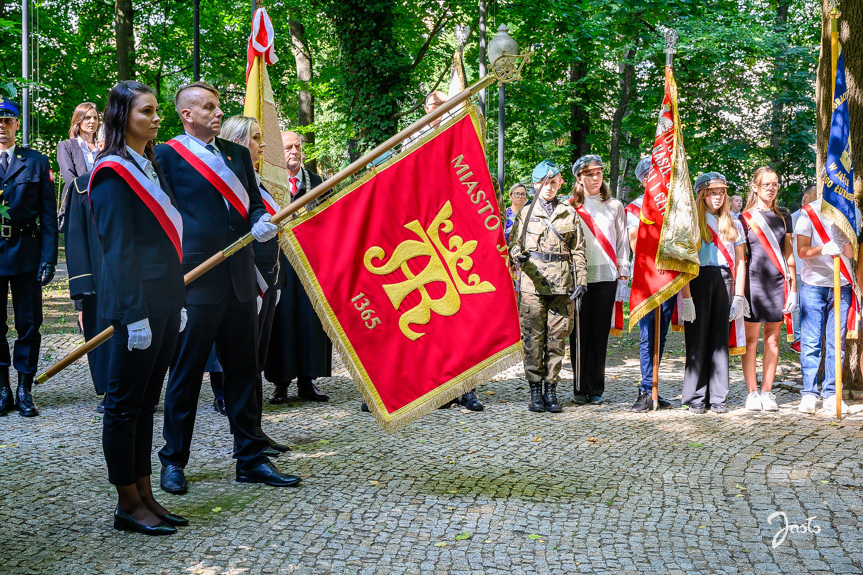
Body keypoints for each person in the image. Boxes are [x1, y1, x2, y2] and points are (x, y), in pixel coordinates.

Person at [156, 81, 300, 493]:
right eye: (208, 108)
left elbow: (254, 201)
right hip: (197, 279)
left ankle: (250, 458)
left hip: (239, 279)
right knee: (185, 376)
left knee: (244, 373)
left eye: (218, 107)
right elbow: (164, 215)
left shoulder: (237, 154)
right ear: (187, 114)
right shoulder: (166, 154)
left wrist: (261, 221)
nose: (218, 113)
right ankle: (173, 461)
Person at [88, 81, 187, 535]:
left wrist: (176, 300)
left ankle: (146, 493)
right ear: (122, 115)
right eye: (146, 111)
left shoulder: (148, 164)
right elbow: (118, 248)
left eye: (156, 111)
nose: (154, 118)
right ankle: (126, 501)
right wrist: (135, 313)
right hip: (135, 306)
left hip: (164, 298)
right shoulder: (111, 171)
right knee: (124, 405)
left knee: (149, 402)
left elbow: (166, 240)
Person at [219, 114, 290, 456]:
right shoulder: (227, 184)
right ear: (237, 141)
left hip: (269, 277)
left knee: (257, 361)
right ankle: (244, 437)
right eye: (256, 138)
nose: (262, 145)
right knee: (244, 363)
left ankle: (256, 432)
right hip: (249, 280)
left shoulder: (257, 182)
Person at [508, 159, 587, 413]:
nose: (549, 188)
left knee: (556, 339)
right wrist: (517, 254)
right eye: (544, 183)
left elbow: (578, 251)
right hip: (532, 284)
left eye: (553, 183)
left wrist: (581, 281)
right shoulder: (525, 213)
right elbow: (514, 244)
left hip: (562, 285)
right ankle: (534, 390)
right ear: (535, 184)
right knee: (533, 339)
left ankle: (551, 389)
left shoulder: (568, 213)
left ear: (559, 183)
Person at [0, 98, 57, 417]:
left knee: (28, 324)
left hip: (26, 252)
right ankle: (2, 389)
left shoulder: (35, 161)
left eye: (8, 120)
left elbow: (48, 216)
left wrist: (48, 257)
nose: (2, 125)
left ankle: (24, 388)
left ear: (17, 124)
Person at [266, 131, 333, 404]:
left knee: (309, 322)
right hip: (278, 264)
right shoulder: (267, 184)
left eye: (297, 146)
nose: (293, 151)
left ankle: (308, 381)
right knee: (281, 323)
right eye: (287, 147)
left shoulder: (317, 183)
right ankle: (280, 384)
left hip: (310, 263)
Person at [680, 172, 747, 414]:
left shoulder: (734, 222)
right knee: (697, 339)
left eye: (721, 192)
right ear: (702, 195)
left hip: (725, 281)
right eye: (712, 192)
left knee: (720, 340)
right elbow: (684, 265)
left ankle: (719, 397)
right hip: (697, 280)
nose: (718, 197)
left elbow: (741, 262)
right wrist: (686, 298)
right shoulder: (691, 222)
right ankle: (696, 397)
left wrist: (739, 295)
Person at [568, 155, 629, 405]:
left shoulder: (614, 205)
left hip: (606, 276)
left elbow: (622, 241)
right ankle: (579, 387)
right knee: (578, 334)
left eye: (599, 174)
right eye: (589, 175)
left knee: (599, 333)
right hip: (579, 277)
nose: (595, 178)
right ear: (579, 179)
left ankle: (596, 388)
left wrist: (623, 275)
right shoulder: (570, 207)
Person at [795, 182, 856, 415]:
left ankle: (832, 394)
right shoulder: (809, 211)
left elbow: (851, 254)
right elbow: (802, 251)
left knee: (836, 343)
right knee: (811, 342)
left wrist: (844, 240)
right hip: (814, 284)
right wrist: (823, 249)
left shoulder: (852, 211)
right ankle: (809, 394)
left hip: (841, 284)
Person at [739, 167, 796, 412]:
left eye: (775, 184)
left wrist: (793, 287)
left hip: (778, 282)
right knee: (751, 340)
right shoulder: (744, 218)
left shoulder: (784, 216)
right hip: (753, 284)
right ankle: (752, 391)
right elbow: (740, 257)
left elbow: (789, 252)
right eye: (766, 185)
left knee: (773, 340)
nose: (771, 189)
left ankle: (767, 392)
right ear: (755, 187)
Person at [66, 125, 111, 412]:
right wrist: (82, 291)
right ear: (99, 144)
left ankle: (144, 390)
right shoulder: (82, 186)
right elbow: (76, 241)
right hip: (99, 279)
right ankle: (109, 390)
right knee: (101, 331)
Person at [626, 156, 674, 411]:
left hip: (668, 276)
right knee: (647, 336)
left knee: (661, 336)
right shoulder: (635, 208)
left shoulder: (672, 207)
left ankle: (654, 385)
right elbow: (635, 244)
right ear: (645, 180)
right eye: (653, 176)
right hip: (647, 278)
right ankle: (646, 389)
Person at [56, 102, 99, 230]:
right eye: (87, 117)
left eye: (95, 118)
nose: (92, 121)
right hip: (78, 207)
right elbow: (70, 180)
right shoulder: (66, 146)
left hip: (102, 207)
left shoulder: (104, 147)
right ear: (78, 120)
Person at [790, 184, 816, 352]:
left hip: (813, 269)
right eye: (815, 194)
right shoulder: (794, 217)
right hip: (798, 268)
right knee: (797, 305)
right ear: (805, 197)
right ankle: (797, 337)